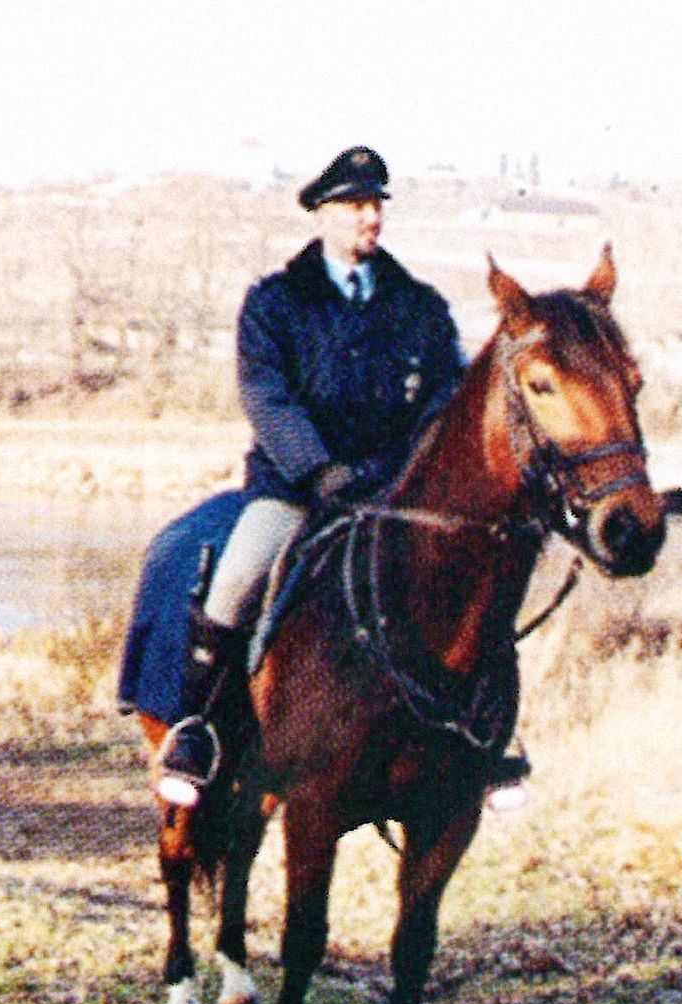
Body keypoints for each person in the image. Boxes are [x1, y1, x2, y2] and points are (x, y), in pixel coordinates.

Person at [157, 146, 467, 802]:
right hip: (295, 490)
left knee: (469, 588)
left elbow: (447, 397)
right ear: (322, 215)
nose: (371, 218)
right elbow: (266, 397)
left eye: (377, 204)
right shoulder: (275, 303)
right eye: (356, 205)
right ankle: (195, 728)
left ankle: (478, 733)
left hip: (394, 497)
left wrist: (403, 472)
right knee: (238, 575)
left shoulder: (421, 307)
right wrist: (318, 470)